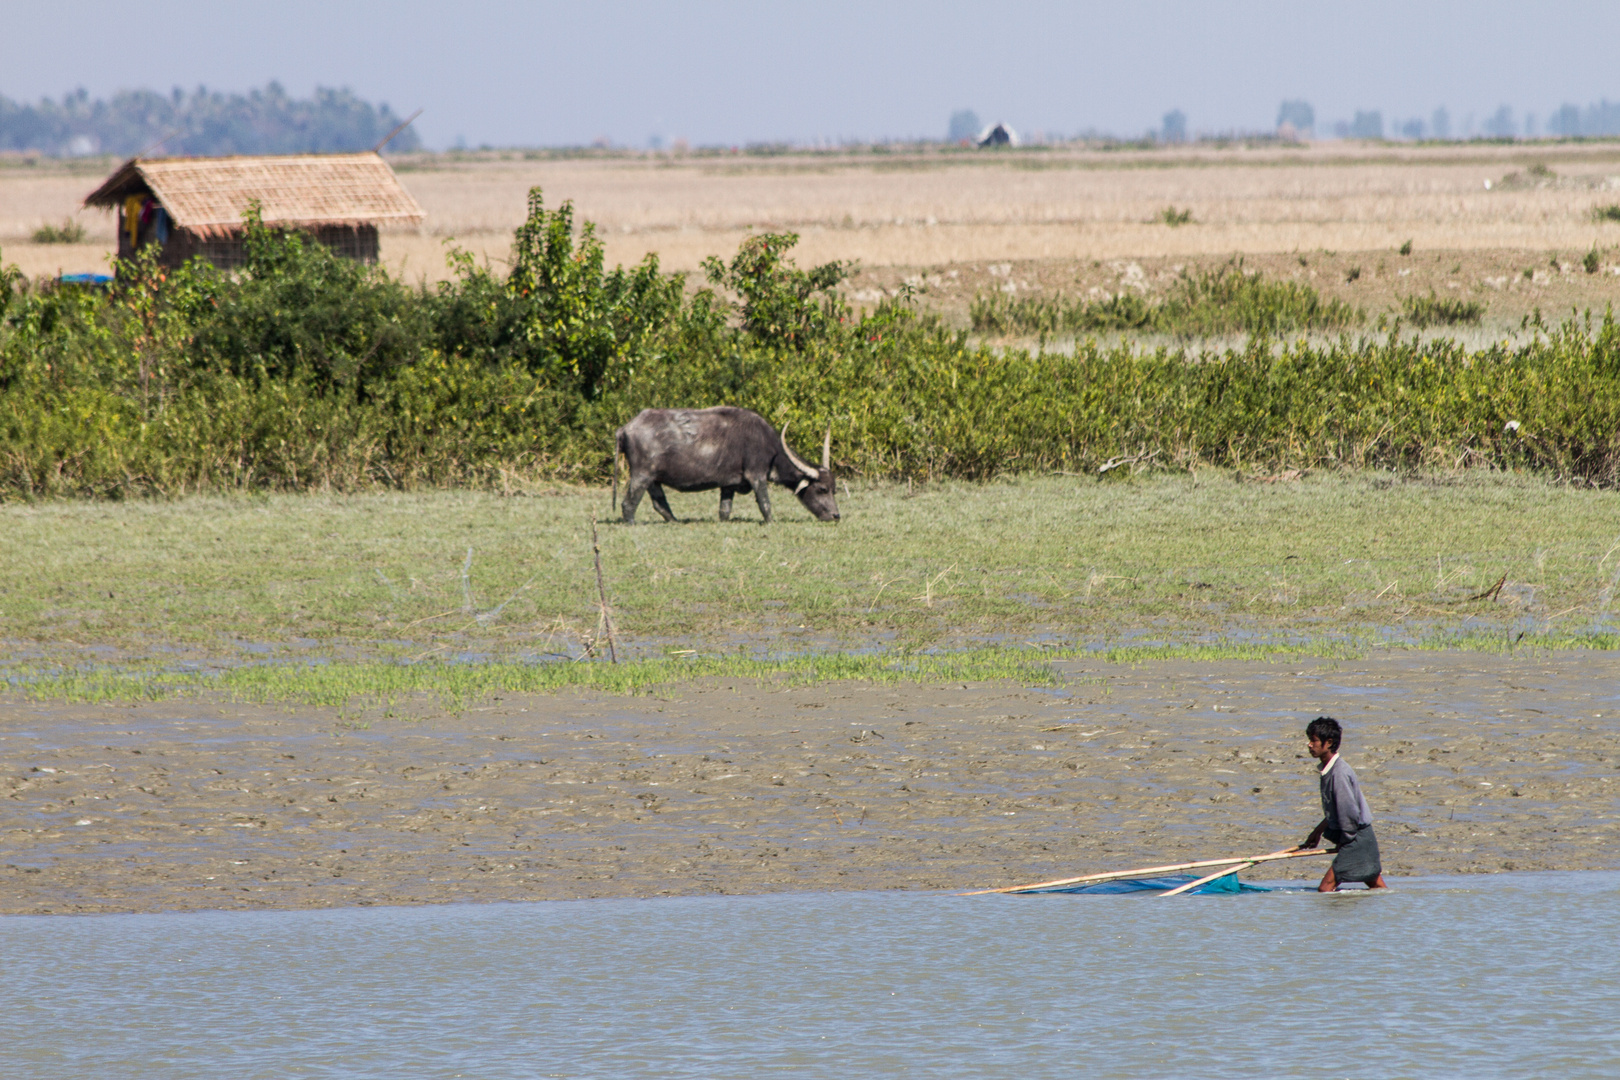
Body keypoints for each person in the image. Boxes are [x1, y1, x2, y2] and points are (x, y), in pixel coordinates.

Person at [1292, 716, 1387, 891]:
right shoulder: (1330, 770)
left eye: (1313, 741)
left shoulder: (1339, 773)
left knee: (1325, 888)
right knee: (1376, 885)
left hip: (1357, 839)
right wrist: (1317, 832)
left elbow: (1348, 811)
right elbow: (1335, 810)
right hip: (1358, 837)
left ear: (1328, 743)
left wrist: (1346, 840)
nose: (1309, 745)